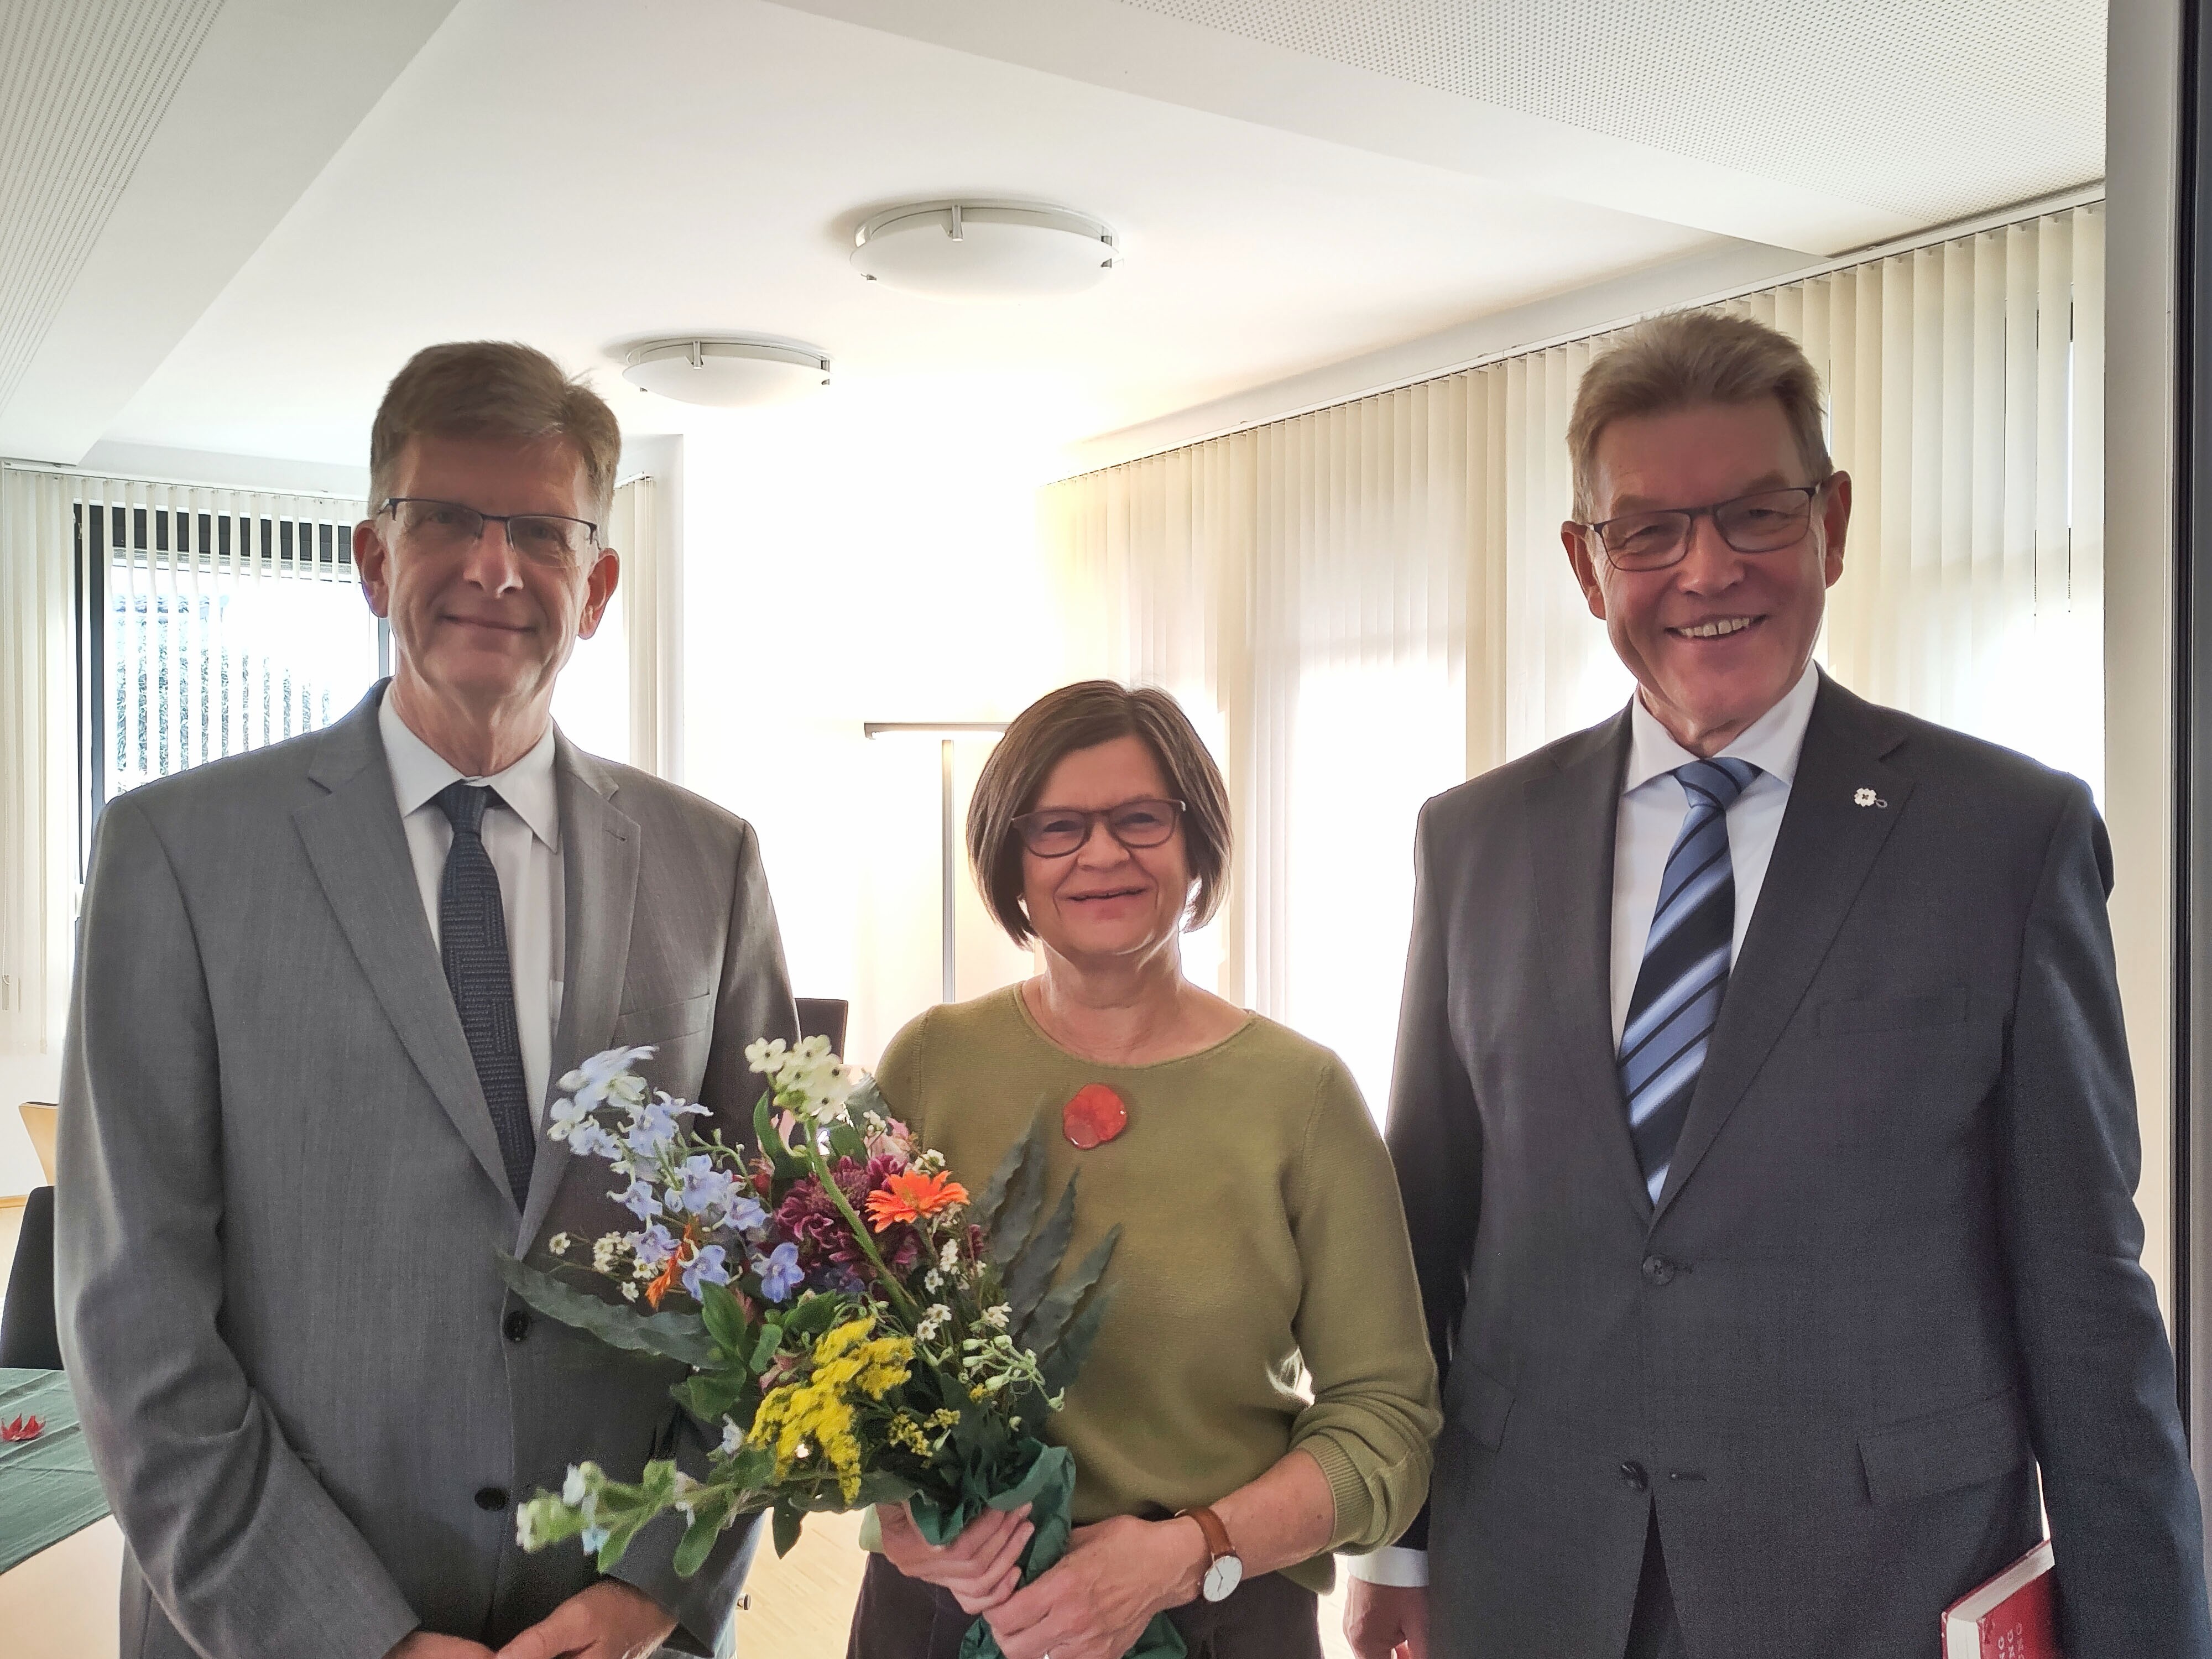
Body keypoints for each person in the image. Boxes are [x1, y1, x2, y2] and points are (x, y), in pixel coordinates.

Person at [1345, 309, 2212, 1659]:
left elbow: (2083, 1288)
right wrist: (1397, 1542)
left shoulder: (2002, 834)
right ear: (1586, 563)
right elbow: (1427, 1236)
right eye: (1648, 531)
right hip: (1529, 1574)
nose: (1705, 571)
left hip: (1871, 1579)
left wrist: (2144, 1632)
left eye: (1754, 514)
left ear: (1833, 524)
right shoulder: (1474, 841)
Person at [56, 341, 797, 1659]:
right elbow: (133, 1316)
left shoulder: (711, 864)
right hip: (276, 1626)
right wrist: (353, 1639)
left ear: (600, 583)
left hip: (619, 1630)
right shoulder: (180, 853)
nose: (493, 567)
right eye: (446, 517)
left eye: (541, 531)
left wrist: (654, 1587)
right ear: (372, 559)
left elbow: (768, 1273)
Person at [846, 680, 1439, 1659]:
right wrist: (904, 1525)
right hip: (940, 1622)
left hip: (1213, 1618)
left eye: (1139, 820)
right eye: (1059, 827)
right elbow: (832, 1353)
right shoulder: (929, 1063)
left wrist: (1187, 1551)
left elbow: (1388, 1425)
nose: (1103, 853)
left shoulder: (1302, 1097)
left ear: (1196, 842)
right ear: (1010, 857)